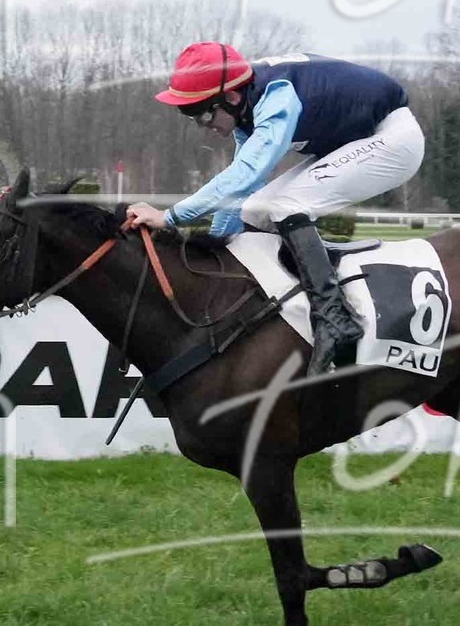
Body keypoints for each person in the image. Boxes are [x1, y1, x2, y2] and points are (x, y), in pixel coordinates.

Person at [124, 43, 424, 376]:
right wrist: (214, 250)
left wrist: (169, 217)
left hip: (393, 140)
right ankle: (284, 309)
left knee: (286, 205)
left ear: (231, 97)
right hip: (358, 140)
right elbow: (240, 192)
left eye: (204, 114)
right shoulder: (246, 107)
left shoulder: (277, 96)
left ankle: (334, 319)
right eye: (192, 116)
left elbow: (247, 173)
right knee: (255, 210)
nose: (203, 125)